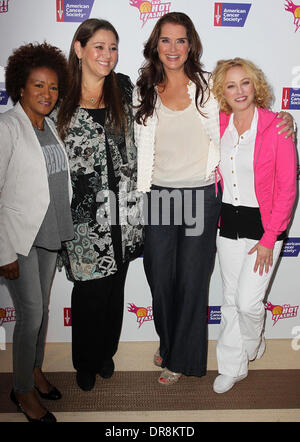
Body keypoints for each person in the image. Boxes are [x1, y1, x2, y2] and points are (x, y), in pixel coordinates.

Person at [133, 12, 295, 385]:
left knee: (192, 282)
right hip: (158, 194)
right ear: (155, 45)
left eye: (181, 40)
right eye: (166, 40)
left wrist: (286, 119)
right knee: (160, 280)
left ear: (192, 45)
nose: (173, 49)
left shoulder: (208, 87)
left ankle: (182, 360)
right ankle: (168, 341)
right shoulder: (142, 88)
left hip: (202, 195)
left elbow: (250, 114)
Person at [56, 18, 143, 392]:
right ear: (79, 49)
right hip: (81, 217)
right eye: (99, 47)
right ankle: (85, 362)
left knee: (115, 289)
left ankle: (106, 352)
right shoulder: (58, 97)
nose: (107, 55)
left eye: (113, 47)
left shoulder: (123, 88)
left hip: (123, 210)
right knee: (89, 293)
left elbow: (169, 112)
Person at [211, 58, 296, 394]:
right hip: (227, 223)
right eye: (231, 85)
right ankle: (233, 366)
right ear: (222, 92)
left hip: (266, 226)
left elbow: (288, 187)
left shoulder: (277, 125)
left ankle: (253, 341)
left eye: (245, 83)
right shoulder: (217, 124)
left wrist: (270, 237)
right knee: (230, 299)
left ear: (255, 85)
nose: (239, 91)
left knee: (248, 302)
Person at [0, 42, 73, 422]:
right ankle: (22, 391)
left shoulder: (46, 126)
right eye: (38, 86)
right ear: (20, 86)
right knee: (29, 315)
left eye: (53, 87)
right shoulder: (7, 127)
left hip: (49, 233)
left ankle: (34, 369)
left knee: (41, 311)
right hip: (19, 238)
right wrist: (3, 252)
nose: (47, 94)